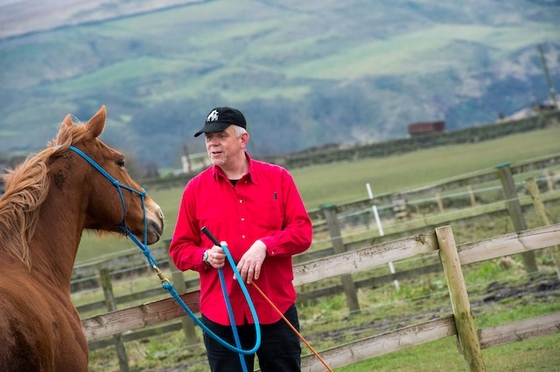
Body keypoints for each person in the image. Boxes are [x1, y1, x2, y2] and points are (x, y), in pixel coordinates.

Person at [169, 106, 313, 371]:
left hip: (275, 309)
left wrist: (265, 246)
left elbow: (302, 232)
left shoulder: (278, 179)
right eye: (208, 138)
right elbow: (179, 249)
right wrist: (204, 256)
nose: (212, 144)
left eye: (221, 136)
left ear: (243, 140)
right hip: (222, 317)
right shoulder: (194, 190)